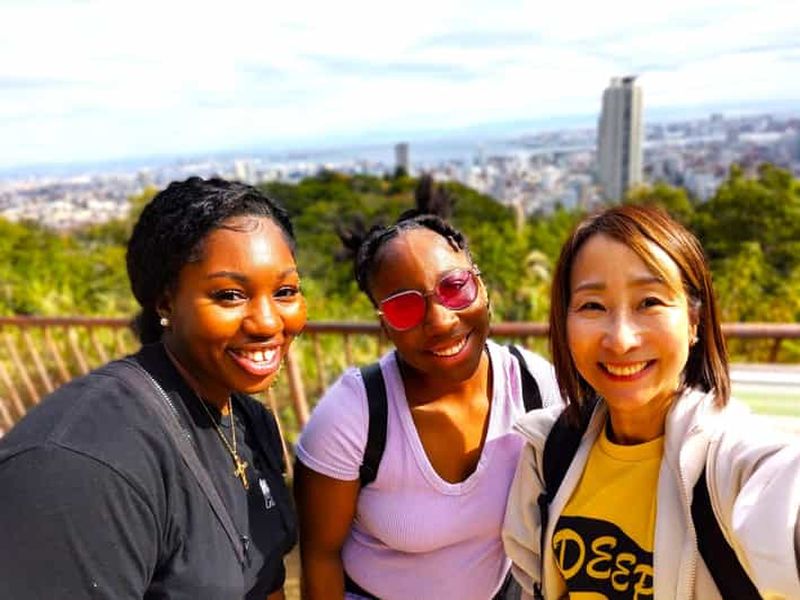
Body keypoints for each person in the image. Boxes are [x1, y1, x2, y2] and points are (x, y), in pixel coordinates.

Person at [0, 177, 306, 599]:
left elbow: (269, 576)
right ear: (165, 302)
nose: (269, 322)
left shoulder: (248, 421)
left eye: (285, 291)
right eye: (230, 295)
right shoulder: (84, 464)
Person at [502, 204, 800, 599]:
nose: (621, 339)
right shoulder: (550, 450)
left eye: (650, 303)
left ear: (695, 321)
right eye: (593, 306)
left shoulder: (730, 465)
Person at [293, 208, 562, 600]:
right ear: (385, 326)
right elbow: (320, 557)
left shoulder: (534, 386)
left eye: (455, 287)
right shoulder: (353, 415)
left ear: (482, 288)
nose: (439, 320)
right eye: (405, 307)